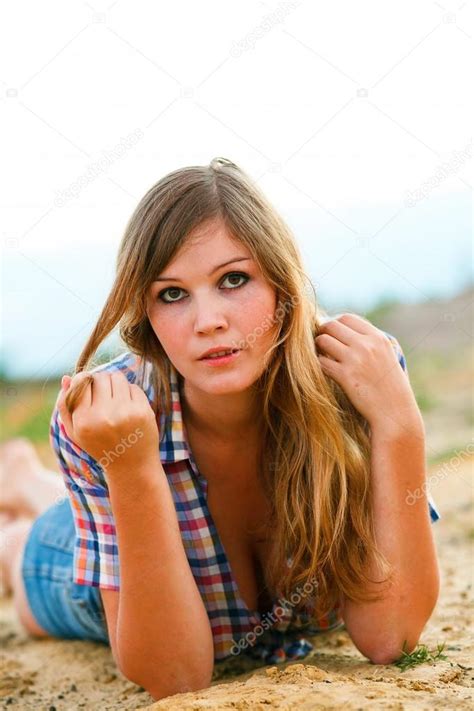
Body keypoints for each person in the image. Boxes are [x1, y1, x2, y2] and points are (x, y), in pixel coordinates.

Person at [0, 157, 441, 701]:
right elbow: (176, 678)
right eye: (172, 293)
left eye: (234, 279)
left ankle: (23, 480)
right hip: (91, 561)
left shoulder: (358, 377)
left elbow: (391, 637)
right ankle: (18, 522)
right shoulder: (114, 415)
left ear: (282, 285)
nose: (207, 320)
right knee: (25, 553)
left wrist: (401, 428)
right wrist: (132, 468)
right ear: (146, 315)